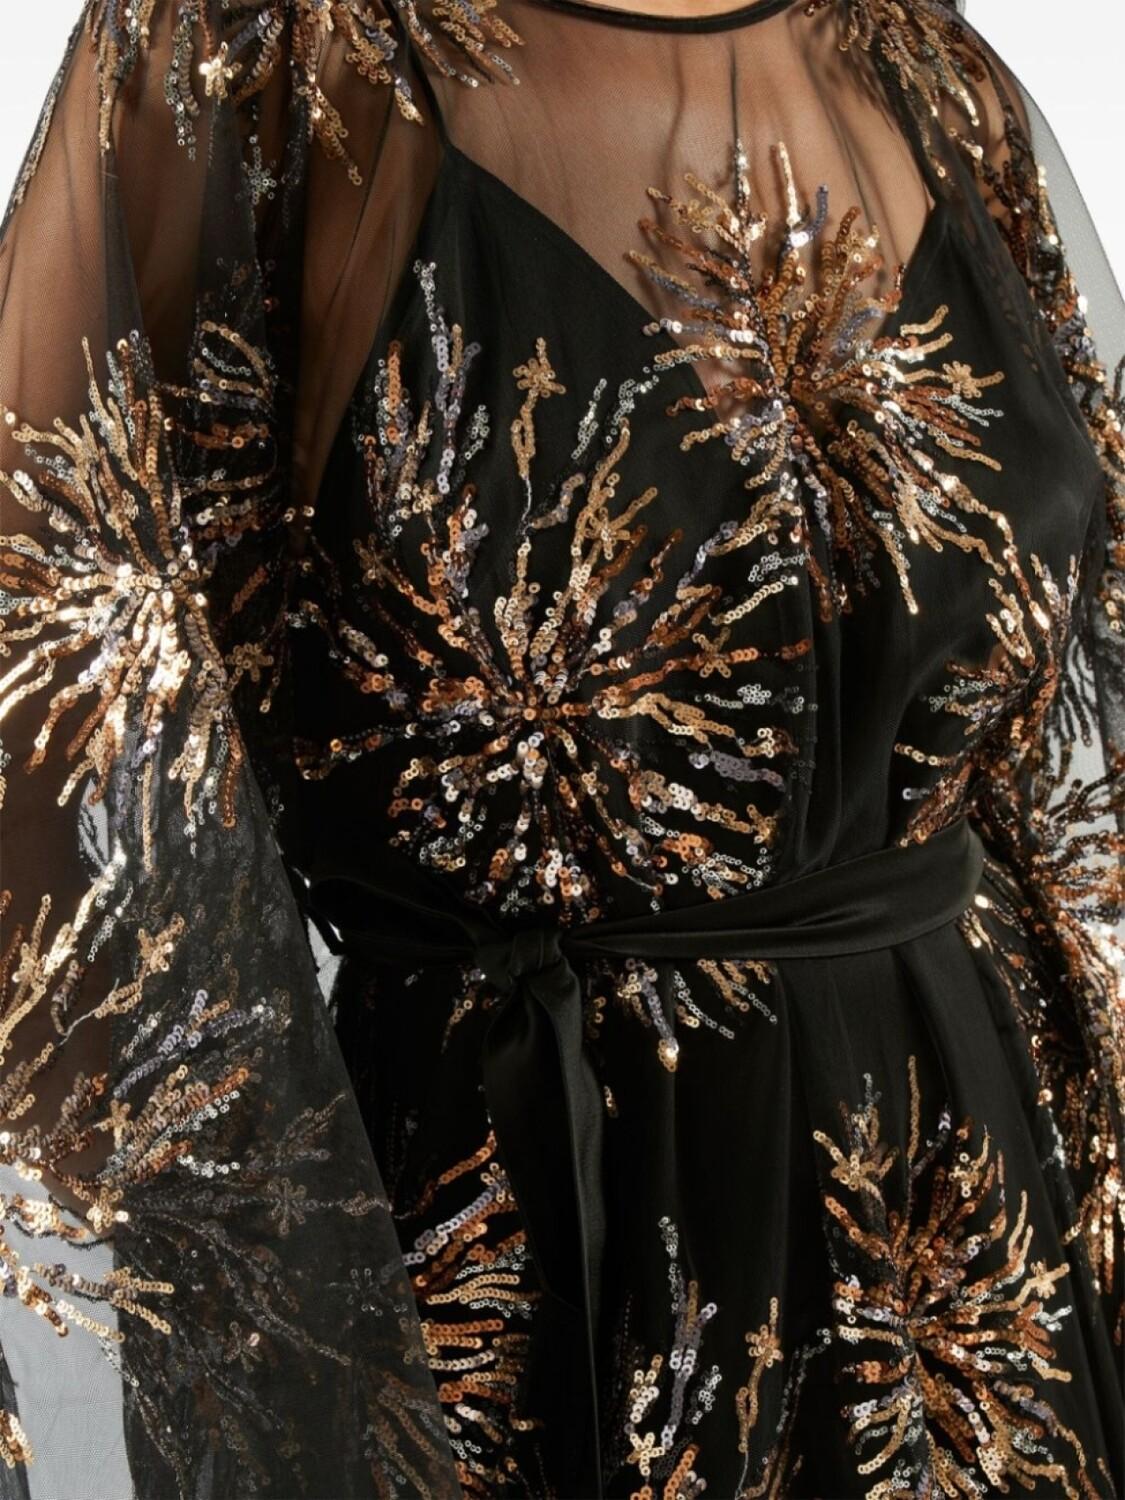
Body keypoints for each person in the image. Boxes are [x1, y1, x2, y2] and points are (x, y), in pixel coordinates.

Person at [0, 0, 1122, 1495]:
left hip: (966, 1271)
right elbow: (40, 766)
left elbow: (1061, 820)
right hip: (519, 1280)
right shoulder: (263, 57)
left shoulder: (925, 70)